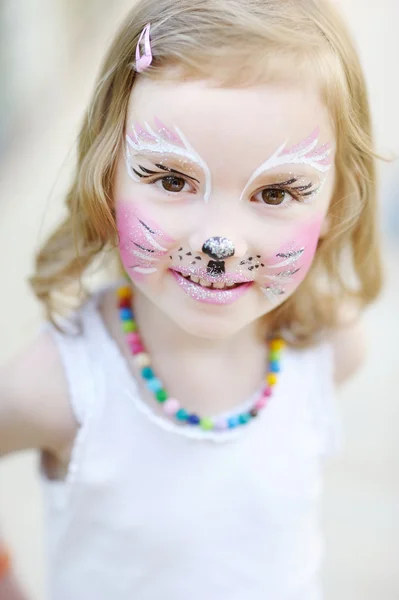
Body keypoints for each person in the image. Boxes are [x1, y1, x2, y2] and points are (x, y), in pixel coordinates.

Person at [0, 0, 383, 598]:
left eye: (278, 191)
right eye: (173, 181)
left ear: (337, 202)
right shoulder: (61, 388)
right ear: (108, 174)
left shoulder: (329, 347)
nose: (220, 242)